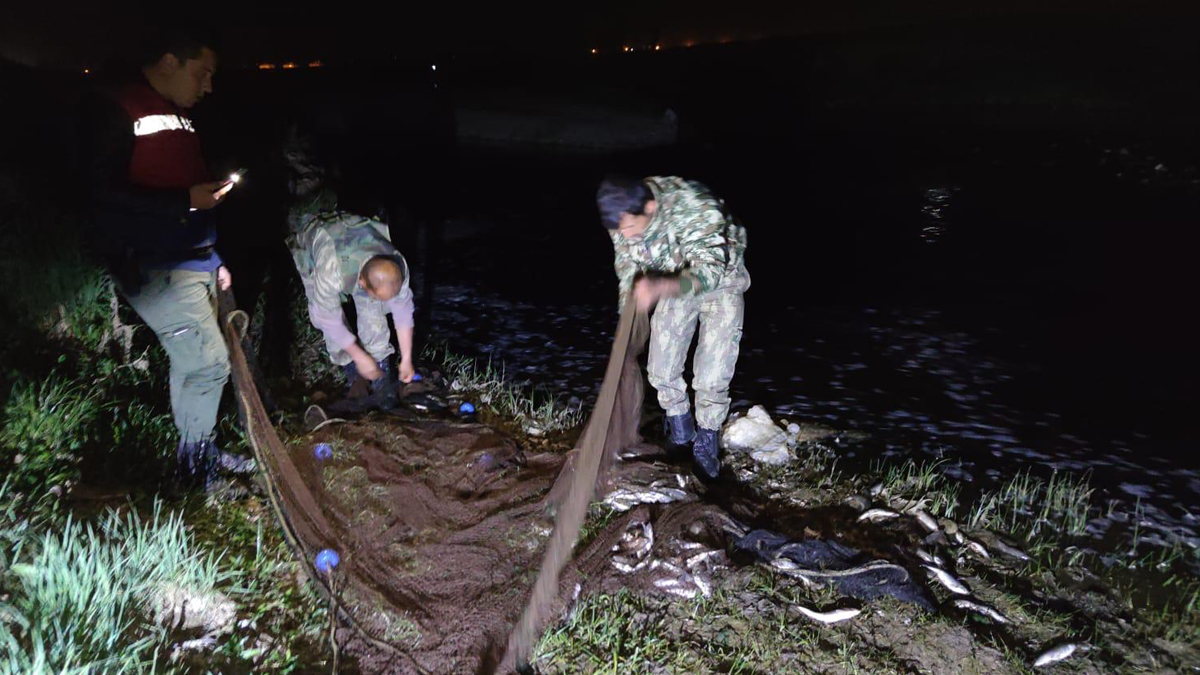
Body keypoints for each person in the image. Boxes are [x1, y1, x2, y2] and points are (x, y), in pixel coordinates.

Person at [83, 30, 254, 492]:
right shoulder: (116, 107)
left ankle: (198, 451)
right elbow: (98, 194)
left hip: (194, 259)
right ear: (168, 62)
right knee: (208, 366)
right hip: (154, 266)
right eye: (203, 73)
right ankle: (196, 474)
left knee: (191, 365)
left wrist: (213, 254)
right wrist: (183, 200)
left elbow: (191, 190)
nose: (209, 86)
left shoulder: (181, 118)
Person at [597, 175, 750, 479]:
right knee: (661, 369)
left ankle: (707, 441)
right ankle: (680, 430)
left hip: (720, 281)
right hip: (671, 279)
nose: (624, 236)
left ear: (650, 208)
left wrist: (657, 289)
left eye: (630, 228)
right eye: (618, 230)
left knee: (712, 375)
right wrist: (627, 309)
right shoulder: (622, 216)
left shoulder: (694, 205)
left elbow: (709, 273)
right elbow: (627, 267)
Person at [285, 131, 417, 402]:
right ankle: (352, 374)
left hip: (360, 251)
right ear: (362, 282)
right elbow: (328, 317)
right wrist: (357, 357)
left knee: (373, 311)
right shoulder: (329, 267)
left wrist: (407, 360)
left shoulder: (395, 266)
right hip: (314, 244)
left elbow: (403, 312)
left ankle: (382, 374)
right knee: (326, 315)